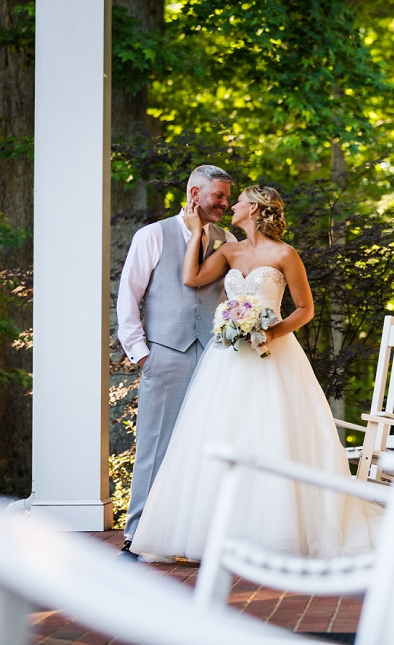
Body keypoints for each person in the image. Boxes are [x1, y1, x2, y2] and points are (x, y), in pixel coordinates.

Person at [129, 186, 380, 561]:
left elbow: (304, 309)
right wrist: (197, 232)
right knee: (223, 432)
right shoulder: (228, 251)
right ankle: (220, 533)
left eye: (239, 201)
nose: (231, 206)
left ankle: (278, 534)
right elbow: (192, 278)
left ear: (255, 209)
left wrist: (268, 333)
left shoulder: (284, 254)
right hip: (228, 358)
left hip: (273, 355)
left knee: (273, 432)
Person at [116, 164, 237, 561]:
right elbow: (128, 298)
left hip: (216, 357)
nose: (225, 203)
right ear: (193, 193)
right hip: (166, 353)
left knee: (209, 445)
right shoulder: (153, 235)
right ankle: (136, 535)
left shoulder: (227, 240)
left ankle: (195, 536)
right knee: (155, 444)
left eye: (227, 196)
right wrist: (142, 352)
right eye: (218, 195)